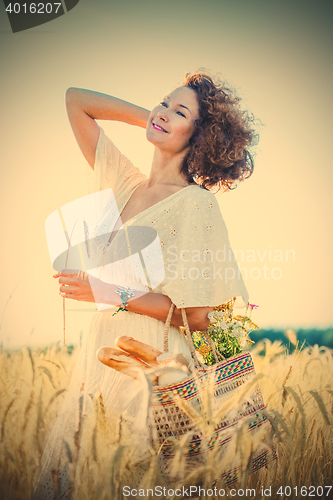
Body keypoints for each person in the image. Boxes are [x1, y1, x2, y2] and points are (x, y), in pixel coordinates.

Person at [33, 72, 256, 499]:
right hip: (102, 360)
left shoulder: (195, 203)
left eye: (181, 112)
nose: (165, 113)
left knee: (138, 479)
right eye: (164, 103)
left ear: (201, 133)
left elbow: (202, 315)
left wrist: (106, 292)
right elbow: (76, 99)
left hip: (154, 368)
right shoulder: (125, 184)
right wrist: (154, 119)